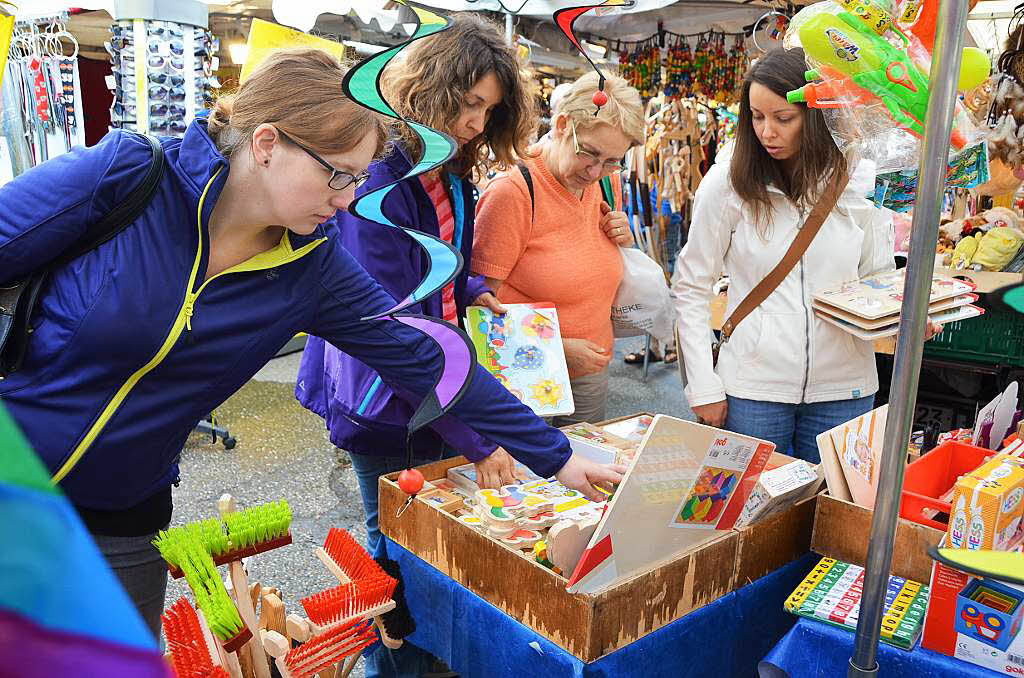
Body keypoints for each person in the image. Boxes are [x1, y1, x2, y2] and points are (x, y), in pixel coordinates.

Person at [0, 47, 623, 640]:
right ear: (267, 144)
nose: (348, 199)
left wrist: (558, 456)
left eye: (357, 179)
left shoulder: (313, 266)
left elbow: (428, 358)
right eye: (338, 175)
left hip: (120, 521)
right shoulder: (129, 177)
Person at [672, 47, 937, 463]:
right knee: (754, 515)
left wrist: (904, 317)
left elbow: (878, 276)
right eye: (757, 117)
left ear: (814, 117)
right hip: (753, 389)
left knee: (830, 510)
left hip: (845, 386)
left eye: (783, 118)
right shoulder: (729, 182)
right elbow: (690, 286)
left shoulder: (860, 180)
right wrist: (702, 385)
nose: (766, 132)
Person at [472, 71, 643, 426]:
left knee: (584, 473)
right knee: (531, 476)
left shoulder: (604, 183)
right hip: (527, 370)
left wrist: (621, 238)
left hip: (591, 366)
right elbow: (479, 309)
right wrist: (556, 350)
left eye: (612, 160)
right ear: (563, 125)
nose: (597, 170)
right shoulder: (513, 193)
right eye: (590, 154)